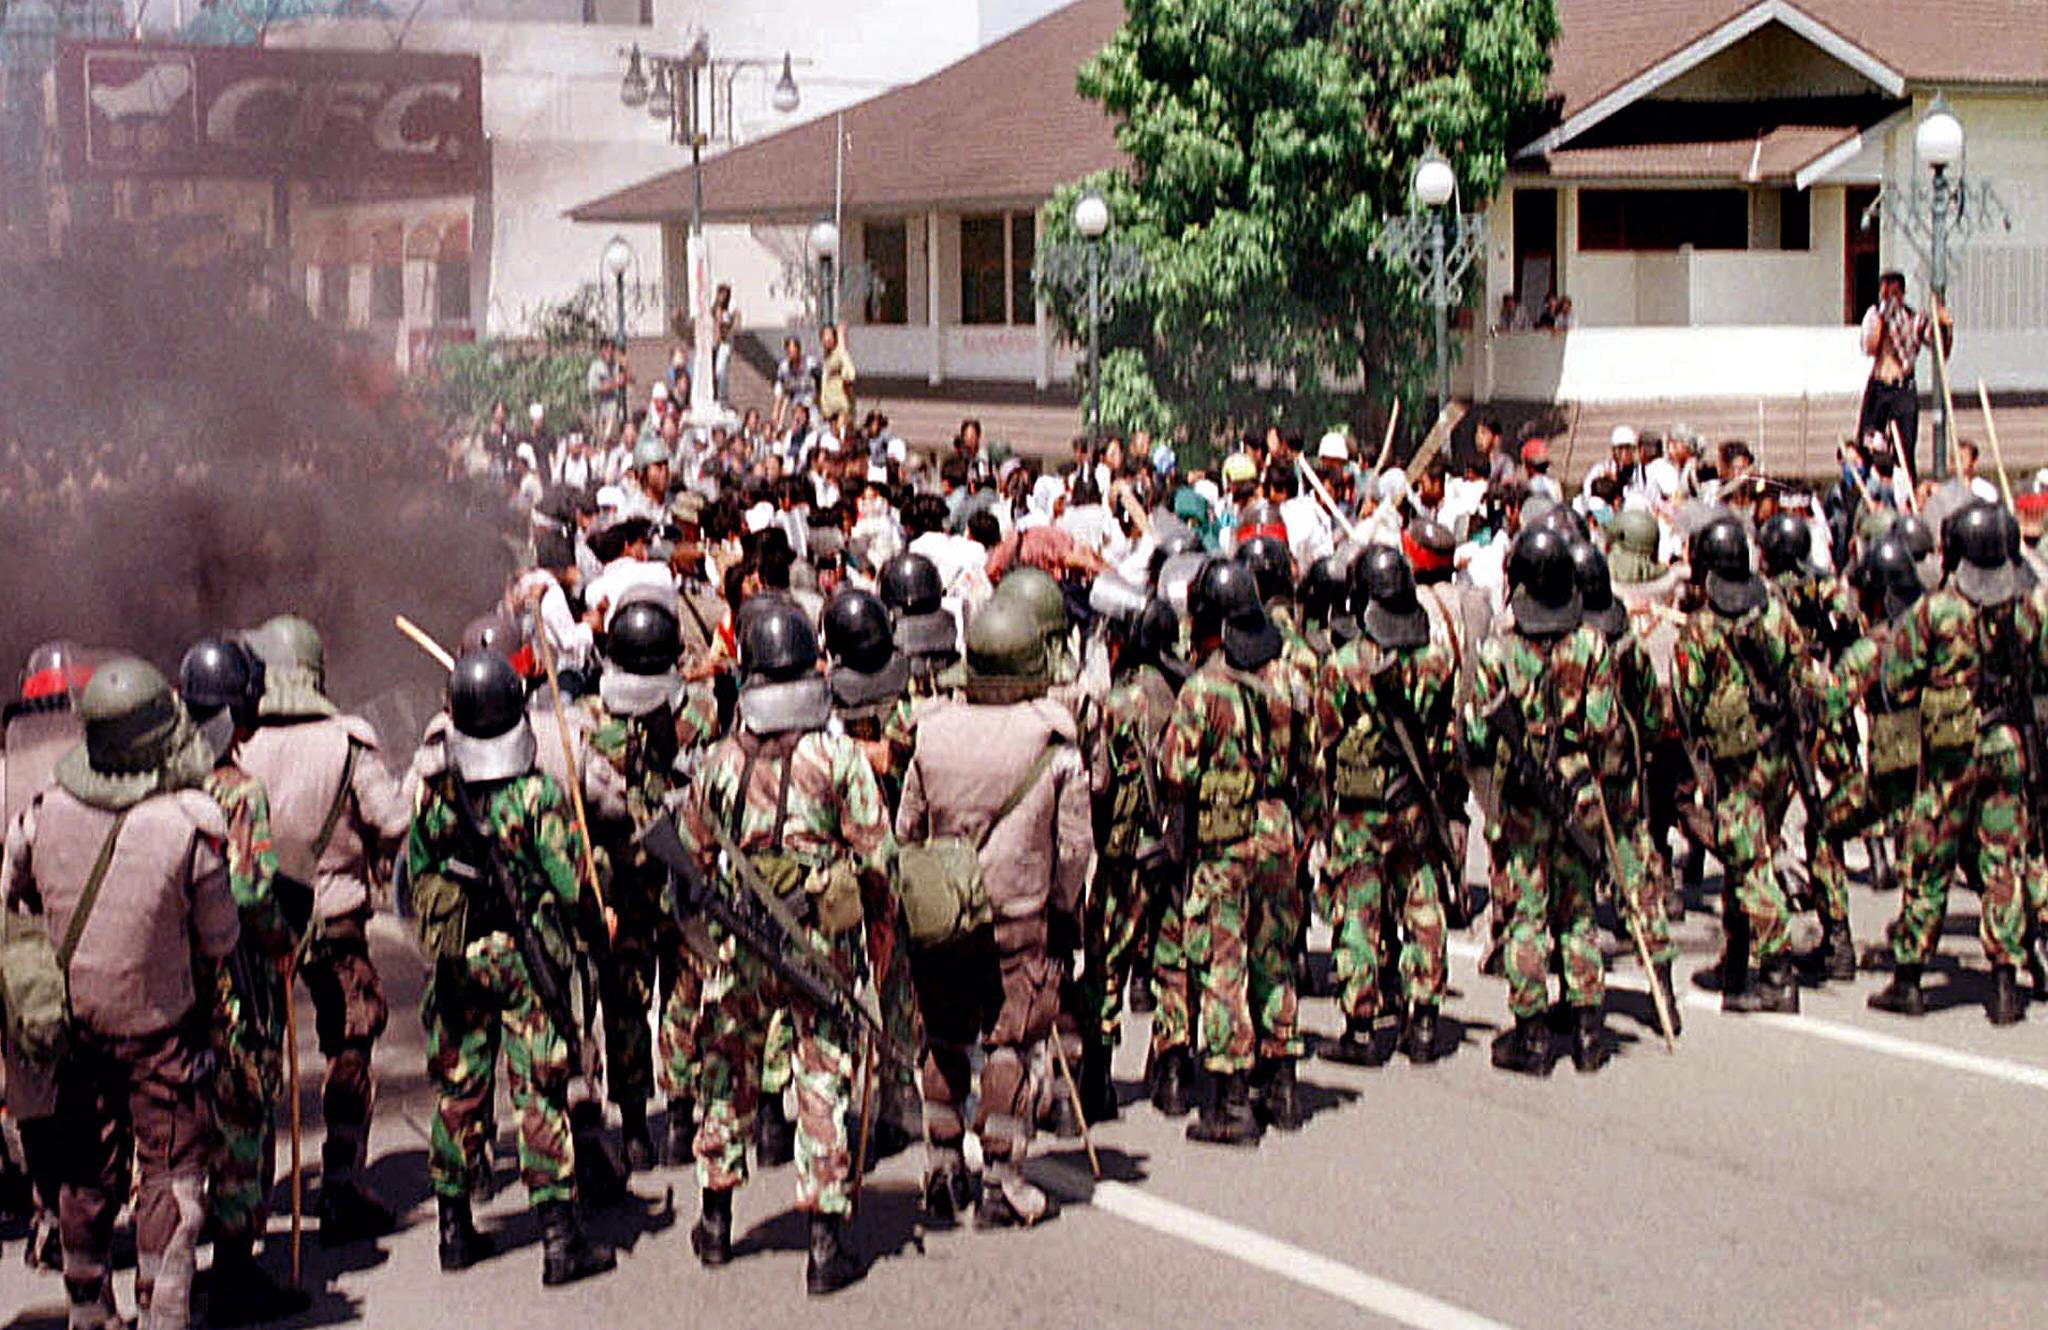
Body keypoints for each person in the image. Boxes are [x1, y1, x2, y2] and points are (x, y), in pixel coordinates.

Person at [3, 658, 235, 1330]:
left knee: (83, 1171)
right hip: (160, 1028)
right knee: (168, 1172)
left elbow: (11, 896)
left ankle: (87, 1310)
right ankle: (162, 1312)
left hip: (71, 1027)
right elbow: (219, 939)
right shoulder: (190, 825)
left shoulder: (42, 813)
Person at [673, 601, 889, 1295]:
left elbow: (692, 857)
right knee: (821, 1082)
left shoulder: (715, 764)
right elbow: (876, 854)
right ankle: (824, 1245)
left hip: (739, 948)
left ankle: (714, 1221)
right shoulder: (839, 758)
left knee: (723, 1078)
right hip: (819, 948)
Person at [406, 652, 618, 1286]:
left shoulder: (437, 794)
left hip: (458, 957)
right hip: (528, 960)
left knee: (459, 1091)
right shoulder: (536, 794)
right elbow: (570, 881)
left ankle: (454, 1228)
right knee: (539, 1089)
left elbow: (417, 875)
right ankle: (558, 1237)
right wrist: (594, 924)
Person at [898, 595, 1090, 1225]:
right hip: (1019, 911)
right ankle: (1002, 1180)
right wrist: (1066, 911)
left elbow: (908, 828)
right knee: (1010, 1044)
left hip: (944, 913)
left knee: (945, 1039)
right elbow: (1074, 848)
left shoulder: (932, 731)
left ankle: (942, 1163)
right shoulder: (1055, 743)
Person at [237, 614, 411, 1242]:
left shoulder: (240, 743)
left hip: (258, 922)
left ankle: (249, 1203)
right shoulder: (348, 740)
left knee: (256, 1059)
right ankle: (341, 1183)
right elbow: (391, 820)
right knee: (350, 1042)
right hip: (335, 914)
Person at [179, 638, 311, 1326]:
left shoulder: (164, 783)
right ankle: (234, 1272)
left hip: (176, 982)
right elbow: (254, 890)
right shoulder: (241, 792)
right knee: (241, 1120)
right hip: (237, 982)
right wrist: (283, 943)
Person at [1868, 503, 2040, 1025]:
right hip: (2008, 745)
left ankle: (1910, 979)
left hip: (1951, 755)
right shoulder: (2026, 606)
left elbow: (1895, 681)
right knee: (2002, 861)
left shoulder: (1937, 611)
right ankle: (2006, 982)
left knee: (1929, 860)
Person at [1465, 528, 1622, 1074]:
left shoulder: (1498, 651)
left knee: (1527, 914)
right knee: (1578, 910)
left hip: (1525, 799)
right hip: (1578, 792)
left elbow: (1481, 737)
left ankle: (1531, 1034)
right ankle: (1587, 1029)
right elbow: (1604, 725)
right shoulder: (1591, 645)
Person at [1157, 560, 1296, 1143]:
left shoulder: (1202, 690)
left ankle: (1232, 1099)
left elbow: (1175, 771)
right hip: (1277, 829)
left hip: (1225, 841)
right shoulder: (1284, 680)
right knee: (1274, 954)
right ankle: (1280, 1079)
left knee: (1222, 963)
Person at [1318, 546, 1463, 1066]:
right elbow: (1447, 739)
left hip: (1360, 808)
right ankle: (1424, 1019)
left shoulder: (1344, 665)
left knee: (1358, 911)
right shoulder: (1436, 660)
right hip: (1416, 801)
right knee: (1422, 900)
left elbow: (1327, 740)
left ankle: (1360, 1026)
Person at [1671, 519, 1806, 1014]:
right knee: (1745, 853)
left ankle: (1777, 971)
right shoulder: (1774, 612)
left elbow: (1685, 701)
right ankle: (1737, 956)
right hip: (1779, 758)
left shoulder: (1702, 628)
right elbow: (1800, 670)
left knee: (1747, 863)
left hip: (1736, 764)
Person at [1858, 270, 1953, 478]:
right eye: (1885, 293)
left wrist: (1945, 326)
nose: (1889, 298)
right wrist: (1883, 320)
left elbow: (1940, 350)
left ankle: (1906, 494)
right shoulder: (1873, 315)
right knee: (1867, 444)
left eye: (1893, 293)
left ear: (1901, 294)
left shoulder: (1914, 319)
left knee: (1905, 448)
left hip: (1903, 389)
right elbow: (1870, 347)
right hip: (1879, 386)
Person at [771, 336, 818, 434]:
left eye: (793, 351)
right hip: (796, 406)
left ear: (799, 350)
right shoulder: (784, 368)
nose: (791, 355)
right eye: (789, 352)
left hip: (813, 404)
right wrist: (776, 412)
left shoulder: (811, 364)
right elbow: (780, 390)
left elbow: (821, 384)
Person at [818, 324, 856, 426]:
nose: (827, 339)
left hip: (841, 407)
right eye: (824, 337)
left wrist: (842, 341)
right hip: (828, 408)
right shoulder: (825, 358)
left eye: (829, 336)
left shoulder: (839, 354)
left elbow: (849, 373)